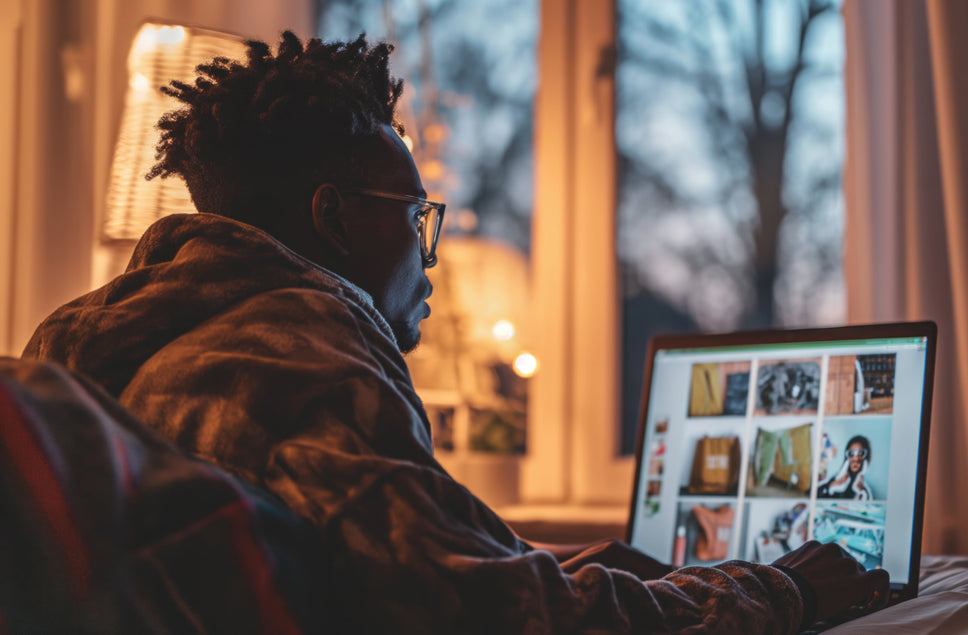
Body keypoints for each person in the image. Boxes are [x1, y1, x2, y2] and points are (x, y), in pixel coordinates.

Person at [22, 31, 888, 633]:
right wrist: (778, 589)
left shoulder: (103, 344)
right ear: (334, 218)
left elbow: (363, 565)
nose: (431, 258)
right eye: (417, 218)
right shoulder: (300, 350)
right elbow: (493, 618)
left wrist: (520, 551)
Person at [818, 435, 874, 500]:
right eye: (851, 453)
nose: (855, 459)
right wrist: (833, 484)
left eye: (861, 453)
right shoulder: (838, 478)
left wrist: (862, 491)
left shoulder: (865, 490)